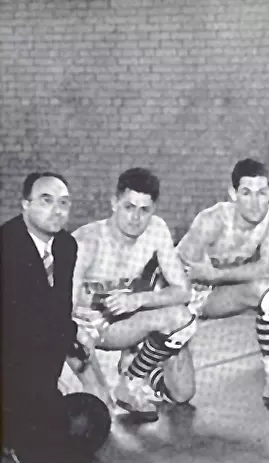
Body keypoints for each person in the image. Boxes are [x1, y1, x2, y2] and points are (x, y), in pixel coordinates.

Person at [176, 159, 269, 412]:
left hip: (218, 289)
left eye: (262, 193)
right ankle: (140, 360)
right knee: (182, 393)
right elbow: (176, 275)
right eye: (246, 193)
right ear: (233, 193)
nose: (255, 202)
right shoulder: (211, 221)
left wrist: (215, 276)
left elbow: (265, 267)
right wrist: (172, 323)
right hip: (185, 292)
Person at [70, 168, 198, 423]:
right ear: (114, 203)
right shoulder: (87, 241)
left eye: (144, 210)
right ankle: (98, 389)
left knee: (183, 388)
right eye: (129, 207)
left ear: (153, 210)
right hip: (86, 332)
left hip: (128, 323)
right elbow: (62, 306)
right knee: (101, 415)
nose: (136, 218)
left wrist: (138, 300)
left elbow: (183, 290)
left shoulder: (156, 230)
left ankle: (131, 379)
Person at [2, 172, 110, 463]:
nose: (57, 210)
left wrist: (74, 333)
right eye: (46, 201)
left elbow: (58, 308)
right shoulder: (6, 245)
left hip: (38, 371)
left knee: (93, 420)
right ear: (25, 204)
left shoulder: (65, 246)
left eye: (64, 203)